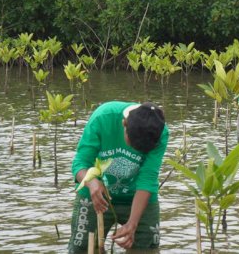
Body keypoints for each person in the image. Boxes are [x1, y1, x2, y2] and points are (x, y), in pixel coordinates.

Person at [69, 101, 168, 252]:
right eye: (133, 144)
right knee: (82, 249)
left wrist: (133, 223)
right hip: (96, 196)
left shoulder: (159, 132)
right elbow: (80, 163)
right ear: (124, 124)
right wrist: (91, 182)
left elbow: (148, 178)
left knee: (147, 249)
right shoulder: (103, 118)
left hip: (139, 197)